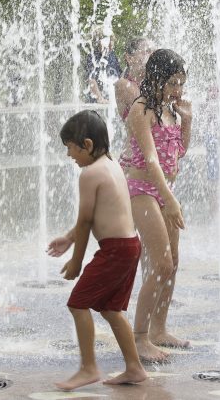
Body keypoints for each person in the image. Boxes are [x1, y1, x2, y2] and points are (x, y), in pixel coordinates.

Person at [47, 110, 147, 391]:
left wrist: (76, 262)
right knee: (110, 308)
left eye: (70, 148)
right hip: (130, 245)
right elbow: (101, 213)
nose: (69, 155)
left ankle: (88, 367)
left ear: (87, 145)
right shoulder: (110, 164)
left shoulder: (90, 174)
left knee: (77, 303)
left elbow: (86, 220)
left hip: (115, 250)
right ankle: (134, 368)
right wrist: (69, 238)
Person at [121, 48, 192, 362]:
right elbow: (151, 161)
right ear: (156, 79)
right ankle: (139, 338)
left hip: (165, 190)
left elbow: (179, 153)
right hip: (142, 190)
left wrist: (187, 121)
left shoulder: (172, 110)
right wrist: (172, 200)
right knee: (161, 263)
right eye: (173, 82)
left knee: (171, 262)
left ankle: (159, 329)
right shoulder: (142, 109)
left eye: (181, 82)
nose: (178, 89)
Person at [115, 38, 154, 121]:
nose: (152, 56)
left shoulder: (151, 84)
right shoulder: (124, 84)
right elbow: (147, 112)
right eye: (147, 51)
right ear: (129, 58)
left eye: (153, 52)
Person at [86, 30, 122, 104]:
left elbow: (119, 77)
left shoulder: (112, 56)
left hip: (111, 100)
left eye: (112, 41)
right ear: (98, 42)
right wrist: (100, 98)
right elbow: (91, 80)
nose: (110, 44)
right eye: (107, 41)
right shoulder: (92, 57)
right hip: (96, 101)